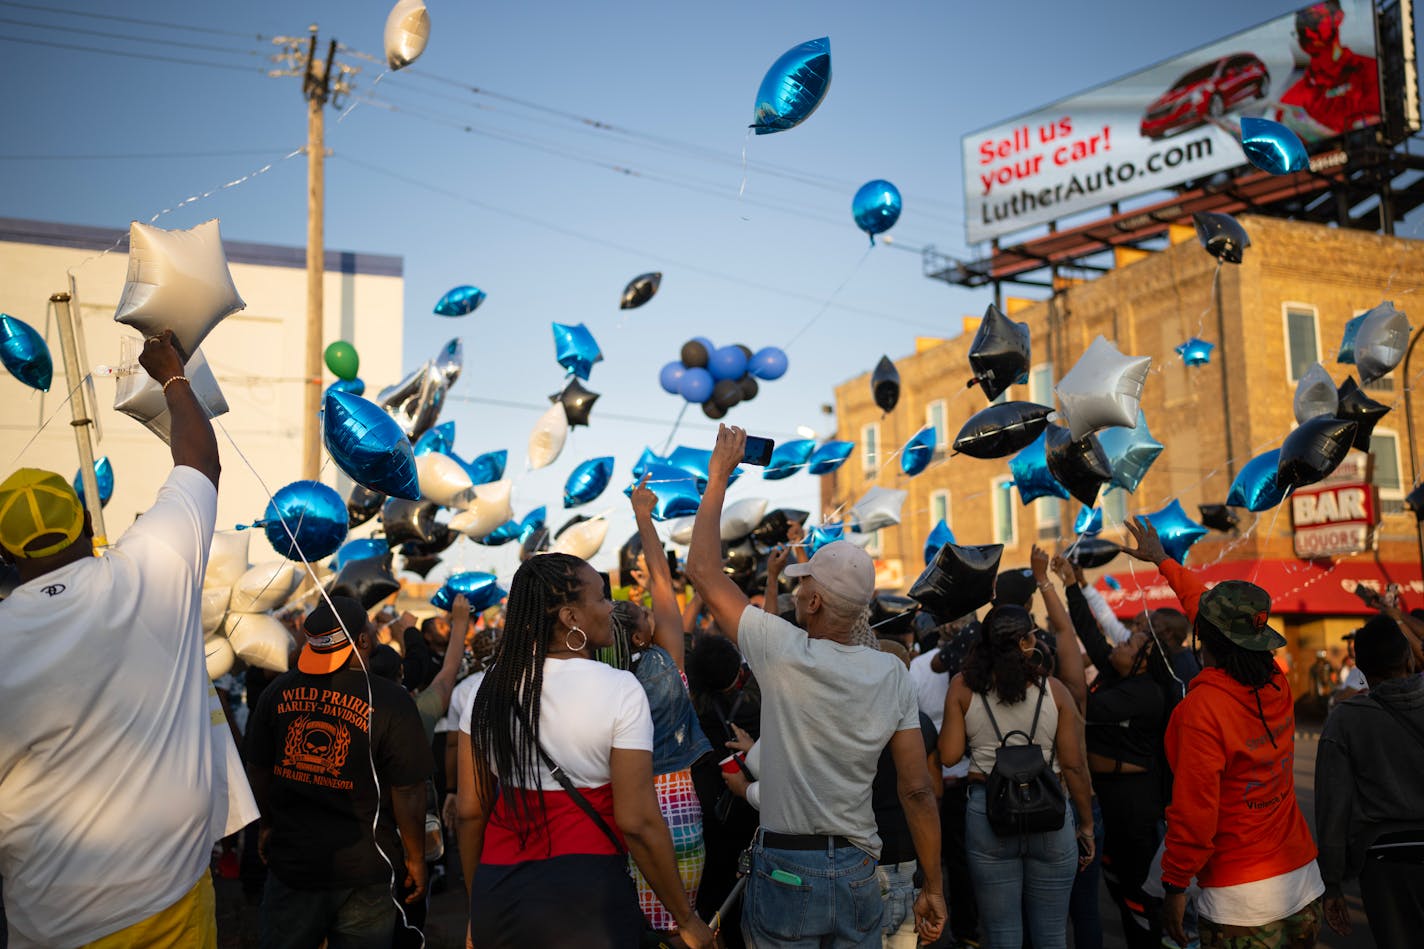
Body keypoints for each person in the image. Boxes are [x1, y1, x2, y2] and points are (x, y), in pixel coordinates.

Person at [0, 330, 256, 947]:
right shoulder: (147, 569)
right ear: (88, 521)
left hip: (52, 918)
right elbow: (199, 463)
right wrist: (171, 373)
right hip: (170, 898)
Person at [685, 425, 946, 948]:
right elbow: (916, 789)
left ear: (814, 603)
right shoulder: (891, 671)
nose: (798, 588)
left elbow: (703, 571)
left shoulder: (782, 651)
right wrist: (933, 885)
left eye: (803, 583)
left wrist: (718, 478)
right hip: (858, 868)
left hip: (787, 868)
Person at [455, 552, 714, 949]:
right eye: (601, 599)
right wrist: (686, 917)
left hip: (499, 892)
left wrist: (477, 909)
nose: (610, 608)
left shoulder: (484, 689)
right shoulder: (620, 689)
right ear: (570, 617)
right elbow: (638, 821)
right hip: (586, 899)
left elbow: (470, 812)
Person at [1120, 518, 1323, 949]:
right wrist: (1162, 561)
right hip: (1304, 883)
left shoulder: (1201, 710)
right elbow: (1206, 613)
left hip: (1241, 904)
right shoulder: (1275, 682)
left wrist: (1175, 887)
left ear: (1204, 638)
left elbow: (1195, 813)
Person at [244, 595, 433, 948]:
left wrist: (267, 824)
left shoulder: (276, 692)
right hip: (366, 870)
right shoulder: (392, 700)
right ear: (363, 640)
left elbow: (258, 770)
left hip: (295, 862)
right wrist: (415, 857)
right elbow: (408, 789)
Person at [938, 601, 1096, 949]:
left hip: (988, 811)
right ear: (1026, 642)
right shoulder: (1054, 691)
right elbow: (1073, 765)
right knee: (1052, 935)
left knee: (1002, 935)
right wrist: (1086, 824)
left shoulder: (964, 687)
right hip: (1050, 810)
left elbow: (948, 757)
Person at [604, 476, 714, 937]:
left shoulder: (605, 682)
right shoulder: (665, 664)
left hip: (624, 814)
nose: (649, 607)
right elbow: (666, 586)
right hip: (678, 809)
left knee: (645, 927)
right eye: (643, 611)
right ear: (640, 636)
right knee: (682, 923)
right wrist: (643, 518)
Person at [1057, 556, 1174, 949]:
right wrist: (1072, 585)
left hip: (1134, 804)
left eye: (1129, 643)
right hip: (1107, 797)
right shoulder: (1117, 674)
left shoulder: (1143, 695)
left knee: (1139, 896)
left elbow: (1080, 706)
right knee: (1118, 890)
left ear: (1143, 662)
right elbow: (1091, 633)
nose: (1119, 644)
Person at [1315, 614, 1424, 944]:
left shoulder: (1346, 720)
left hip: (1386, 863)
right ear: (1407, 658)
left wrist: (1332, 883)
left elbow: (1333, 809)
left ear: (1360, 667)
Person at [1276, 0, 1381, 137]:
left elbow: (1376, 121)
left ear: (1338, 17)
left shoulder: (1372, 69)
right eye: (1301, 24)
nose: (1307, 31)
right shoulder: (1290, 99)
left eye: (1314, 19)